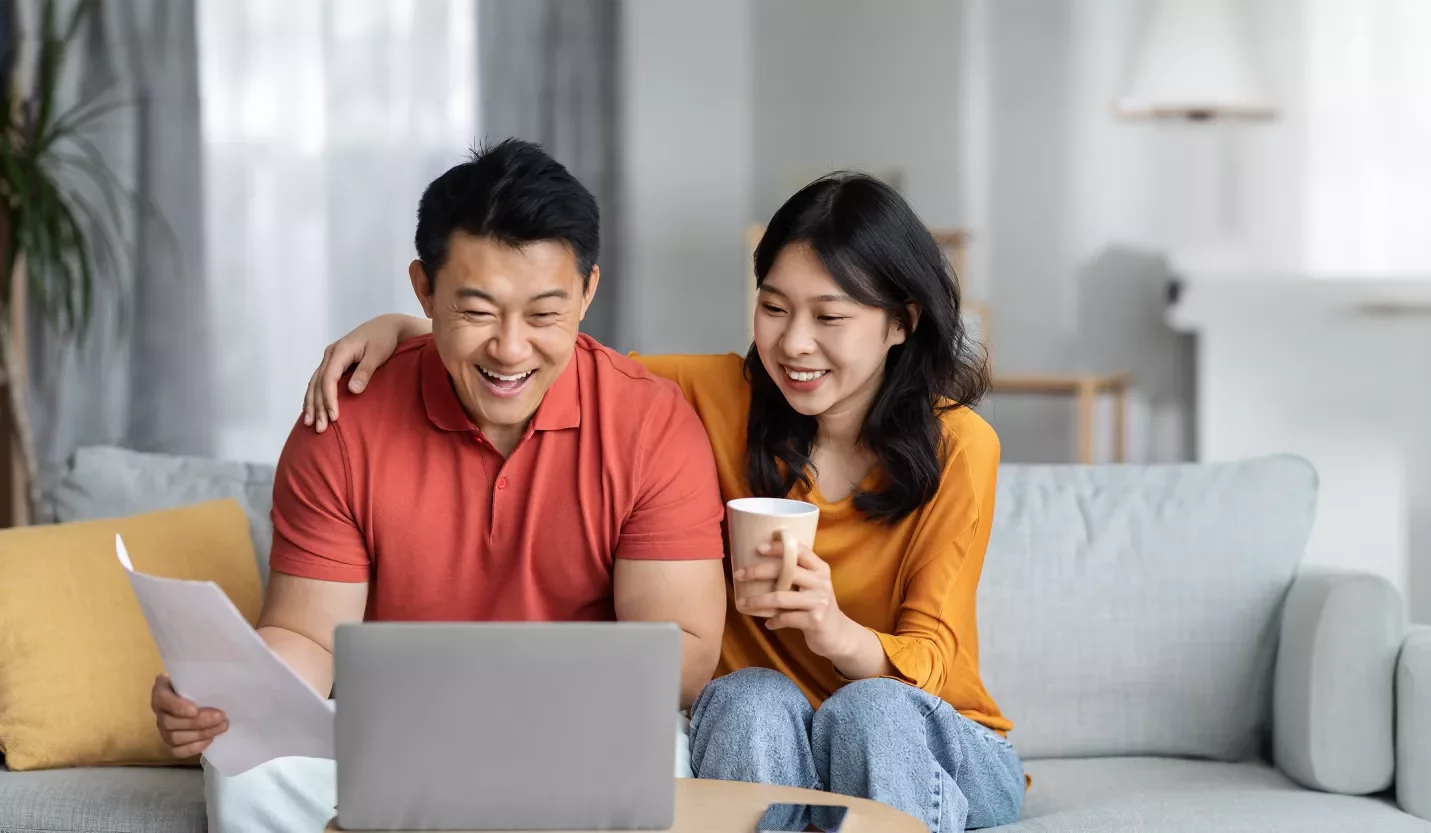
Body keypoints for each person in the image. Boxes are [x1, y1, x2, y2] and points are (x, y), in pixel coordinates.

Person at [302, 172, 1027, 832]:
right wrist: (412, 332)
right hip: (775, 723)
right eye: (774, 308)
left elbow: (933, 655)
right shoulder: (710, 396)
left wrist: (831, 629)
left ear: (900, 320)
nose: (795, 343)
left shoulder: (960, 445)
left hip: (928, 732)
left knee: (869, 712)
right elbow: (543, 351)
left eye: (829, 318)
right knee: (744, 695)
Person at [148, 139, 728, 833]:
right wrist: (233, 697)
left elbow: (685, 655)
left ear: (587, 293)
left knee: (665, 758)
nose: (510, 350)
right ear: (424, 290)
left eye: (544, 315)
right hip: (392, 733)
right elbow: (310, 636)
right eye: (477, 311)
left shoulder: (651, 424)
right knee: (247, 771)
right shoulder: (345, 416)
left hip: (574, 731)